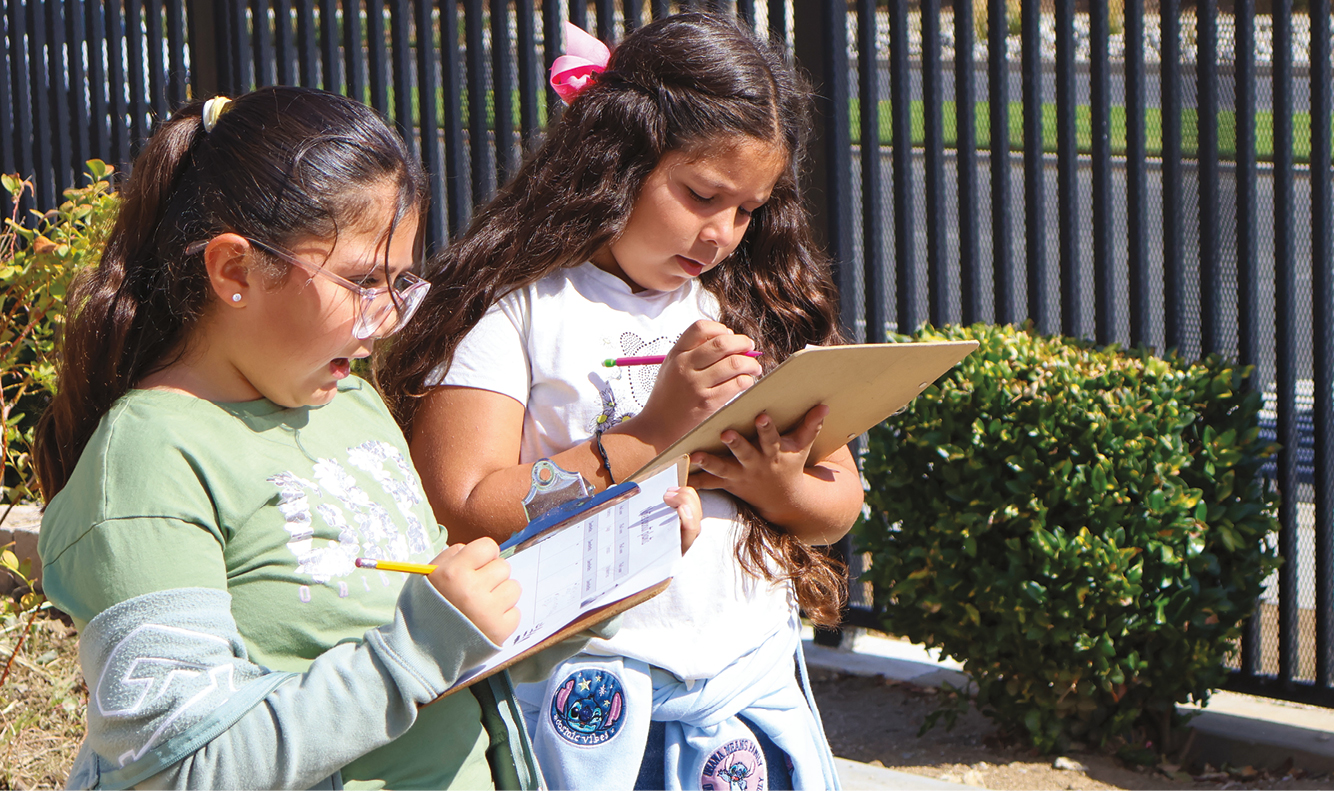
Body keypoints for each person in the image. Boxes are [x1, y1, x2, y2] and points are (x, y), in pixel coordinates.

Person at [33, 86, 700, 790]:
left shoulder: (349, 403)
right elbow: (178, 765)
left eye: (399, 282)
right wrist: (417, 645)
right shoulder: (149, 458)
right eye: (359, 281)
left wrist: (606, 569)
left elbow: (446, 651)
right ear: (234, 270)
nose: (385, 320)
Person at [376, 14, 864, 790]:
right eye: (701, 194)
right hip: (588, 700)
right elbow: (462, 502)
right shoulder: (514, 309)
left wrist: (774, 484)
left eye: (747, 209)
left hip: (748, 693)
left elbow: (838, 500)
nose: (722, 234)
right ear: (617, 159)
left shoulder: (752, 303)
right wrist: (650, 436)